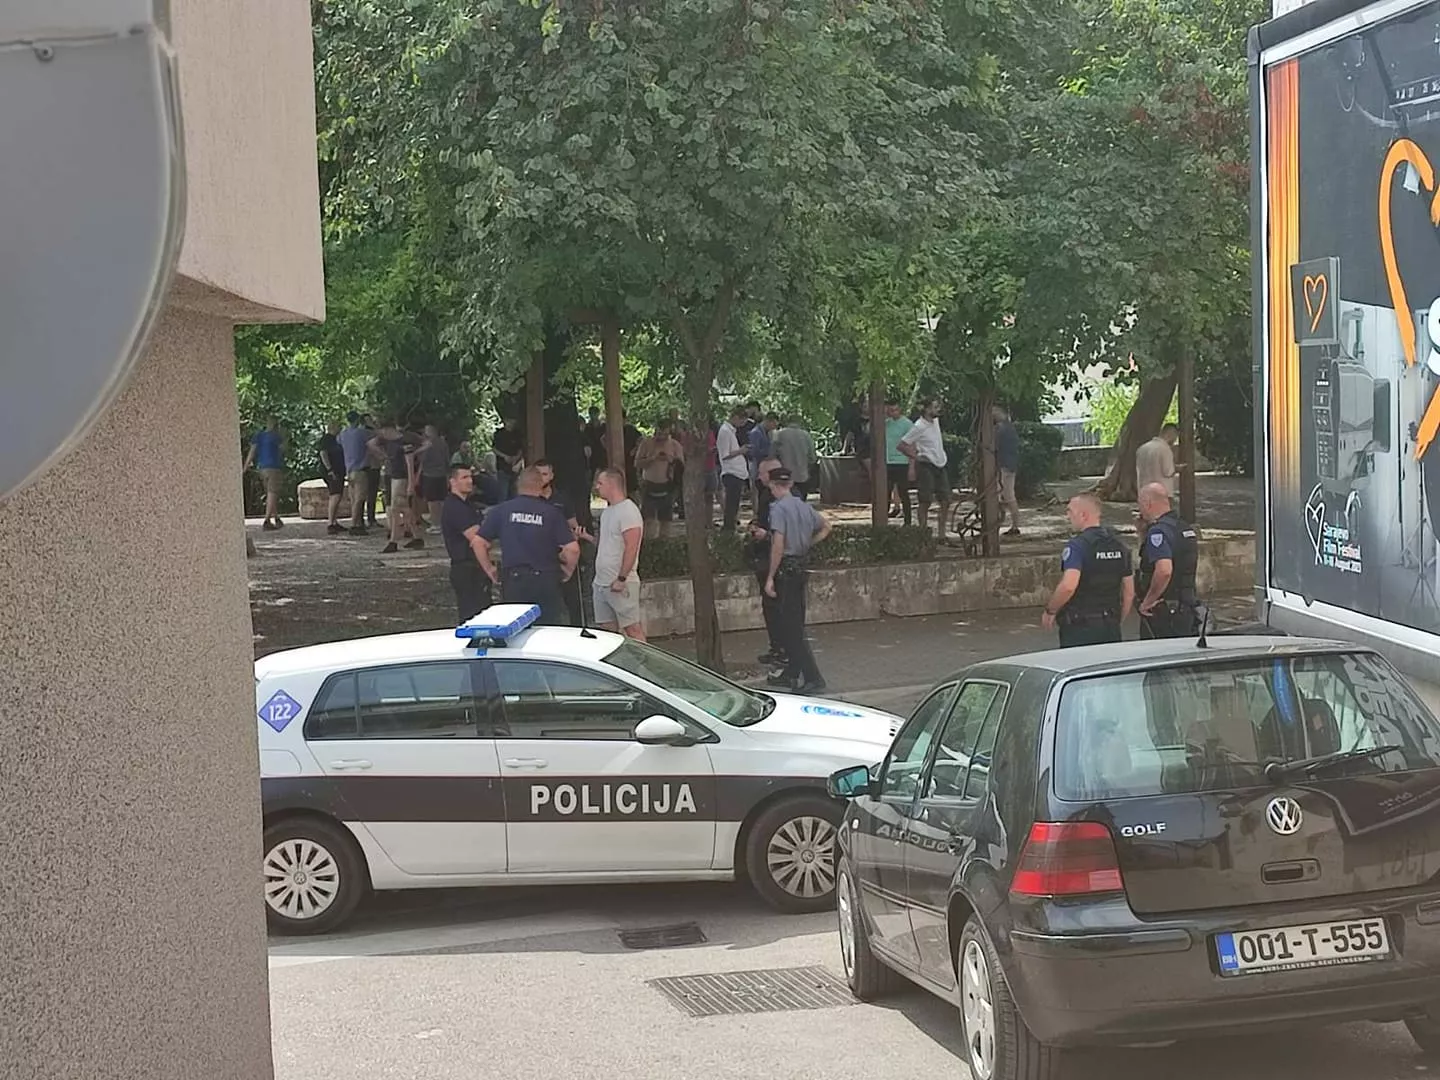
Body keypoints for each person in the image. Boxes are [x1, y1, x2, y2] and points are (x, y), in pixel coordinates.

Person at [475, 466, 580, 625]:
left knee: (517, 627)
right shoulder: (551, 512)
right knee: (546, 628)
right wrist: (567, 571)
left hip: (514, 580)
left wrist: (489, 569)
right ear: (540, 485)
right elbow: (573, 549)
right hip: (545, 578)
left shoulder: (502, 510)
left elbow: (478, 542)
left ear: (518, 485)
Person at [763, 467, 832, 693]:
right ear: (790, 484)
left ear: (772, 485)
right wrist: (808, 543)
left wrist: (770, 577)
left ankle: (813, 677)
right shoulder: (803, 506)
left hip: (787, 567)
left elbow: (778, 544)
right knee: (793, 621)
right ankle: (792, 672)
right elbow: (826, 526)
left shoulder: (778, 509)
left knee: (791, 628)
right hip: (801, 565)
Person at [1041, 492, 1134, 647]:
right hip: (1110, 625)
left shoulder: (1078, 546)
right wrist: (1117, 620)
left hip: (1080, 627)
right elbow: (1129, 592)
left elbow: (1068, 585)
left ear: (1083, 515)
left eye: (1070, 511)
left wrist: (1051, 610)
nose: (1067, 516)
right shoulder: (1119, 545)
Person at [1135, 482, 1201, 638]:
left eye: (1140, 505)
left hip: (1164, 611)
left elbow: (1164, 571)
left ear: (1148, 503)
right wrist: (1142, 533)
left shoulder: (1158, 531)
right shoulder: (1184, 527)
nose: (1140, 510)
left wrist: (1148, 601)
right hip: (1187, 607)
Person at [592, 468, 646, 640]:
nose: (597, 487)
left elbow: (632, 546)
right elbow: (607, 543)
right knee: (607, 630)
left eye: (600, 483)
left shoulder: (628, 511)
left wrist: (622, 578)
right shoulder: (607, 512)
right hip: (601, 581)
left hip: (619, 581)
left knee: (632, 628)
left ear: (611, 484)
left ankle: (643, 658)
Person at [536, 458, 588, 624]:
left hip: (563, 553)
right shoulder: (530, 500)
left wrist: (574, 538)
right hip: (540, 557)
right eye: (538, 474)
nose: (541, 478)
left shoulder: (562, 498)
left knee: (573, 601)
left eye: (545, 474)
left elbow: (573, 524)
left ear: (551, 475)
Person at [439, 463, 492, 621]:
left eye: (470, 477)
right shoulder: (455, 507)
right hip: (466, 569)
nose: (470, 481)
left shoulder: (468, 504)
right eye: (464, 477)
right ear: (452, 482)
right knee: (472, 617)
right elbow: (478, 539)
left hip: (474, 567)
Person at [749, 457, 787, 670]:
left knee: (779, 608)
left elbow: (787, 534)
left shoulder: (787, 500)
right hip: (764, 554)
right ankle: (776, 648)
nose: (759, 477)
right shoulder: (765, 495)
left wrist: (767, 535)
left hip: (778, 558)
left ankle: (784, 651)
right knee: (770, 608)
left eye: (762, 473)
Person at [370, 420, 423, 554]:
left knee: (395, 508)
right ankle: (416, 536)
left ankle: (394, 540)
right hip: (394, 476)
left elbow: (410, 463)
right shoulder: (389, 442)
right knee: (403, 508)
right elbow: (371, 444)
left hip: (402, 477)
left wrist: (411, 483)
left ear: (388, 429)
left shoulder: (404, 442)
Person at [899, 398, 949, 538]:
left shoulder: (935, 422)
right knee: (925, 500)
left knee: (945, 500)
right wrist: (916, 457)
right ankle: (923, 533)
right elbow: (902, 445)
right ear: (927, 409)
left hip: (940, 463)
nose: (938, 409)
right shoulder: (919, 426)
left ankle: (942, 534)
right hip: (926, 465)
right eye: (935, 407)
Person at [634, 419, 683, 535]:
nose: (661, 437)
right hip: (649, 484)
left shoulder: (675, 445)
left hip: (668, 486)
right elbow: (637, 463)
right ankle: (650, 543)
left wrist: (671, 459)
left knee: (666, 521)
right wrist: (651, 458)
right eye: (659, 434)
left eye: (664, 435)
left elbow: (681, 466)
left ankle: (664, 543)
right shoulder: (646, 443)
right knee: (649, 521)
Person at [243, 418, 286, 530]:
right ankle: (267, 520)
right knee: (273, 493)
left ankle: (276, 517)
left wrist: (245, 467)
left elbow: (252, 451)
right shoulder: (276, 437)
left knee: (269, 493)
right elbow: (283, 450)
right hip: (274, 467)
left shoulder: (259, 436)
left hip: (262, 468)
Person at [338, 411, 371, 536]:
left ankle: (357, 523)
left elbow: (338, 441)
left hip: (349, 470)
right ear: (357, 420)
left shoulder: (343, 434)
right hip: (360, 469)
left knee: (353, 499)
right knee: (359, 498)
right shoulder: (362, 433)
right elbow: (375, 436)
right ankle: (354, 524)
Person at [717, 406, 750, 530]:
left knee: (734, 504)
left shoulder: (731, 431)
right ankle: (728, 529)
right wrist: (740, 451)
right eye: (741, 421)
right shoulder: (725, 431)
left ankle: (731, 527)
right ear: (735, 417)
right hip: (731, 472)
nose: (742, 424)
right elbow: (725, 454)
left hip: (738, 473)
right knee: (731, 505)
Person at [772, 415, 816, 502]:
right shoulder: (806, 435)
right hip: (802, 475)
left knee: (784, 502)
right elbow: (812, 457)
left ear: (788, 422)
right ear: (800, 422)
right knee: (801, 502)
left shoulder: (779, 434)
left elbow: (773, 454)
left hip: (784, 475)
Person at [993, 404, 1022, 536]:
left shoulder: (1001, 428)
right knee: (1004, 495)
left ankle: (1014, 526)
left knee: (1007, 495)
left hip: (1004, 466)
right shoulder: (1009, 427)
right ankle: (1004, 524)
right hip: (1009, 465)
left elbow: (994, 446)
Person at [883, 400, 913, 524]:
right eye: (890, 410)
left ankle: (908, 521)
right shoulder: (886, 423)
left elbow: (912, 445)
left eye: (895, 410)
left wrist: (912, 465)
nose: (893, 412)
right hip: (888, 462)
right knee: (886, 492)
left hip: (902, 462)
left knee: (903, 492)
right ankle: (883, 521)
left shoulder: (907, 424)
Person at [417, 423, 450, 534]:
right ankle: (444, 523)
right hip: (442, 474)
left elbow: (422, 460)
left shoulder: (426, 444)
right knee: (442, 500)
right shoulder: (443, 443)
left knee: (432, 501)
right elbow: (447, 460)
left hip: (429, 475)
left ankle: (436, 524)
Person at [317, 421, 347, 535]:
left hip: (339, 471)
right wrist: (330, 469)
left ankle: (334, 521)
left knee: (338, 495)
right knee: (335, 495)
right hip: (332, 471)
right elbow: (323, 453)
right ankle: (330, 523)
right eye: (338, 426)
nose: (340, 428)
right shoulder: (327, 439)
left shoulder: (337, 439)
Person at [1137, 423, 1180, 499]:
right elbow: (1168, 471)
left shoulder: (1142, 448)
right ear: (1172, 434)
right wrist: (1177, 468)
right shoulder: (1165, 449)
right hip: (1161, 494)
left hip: (1144, 492)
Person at [748, 413, 778, 502]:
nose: (774, 427)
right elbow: (754, 451)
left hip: (765, 466)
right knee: (757, 490)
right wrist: (767, 454)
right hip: (757, 466)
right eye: (774, 424)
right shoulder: (756, 432)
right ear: (768, 421)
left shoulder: (767, 433)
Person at [492, 417, 524, 501]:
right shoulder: (499, 434)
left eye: (513, 420)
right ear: (505, 421)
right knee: (503, 494)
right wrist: (505, 457)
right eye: (509, 420)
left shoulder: (517, 434)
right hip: (502, 467)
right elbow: (494, 449)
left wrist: (516, 458)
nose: (511, 423)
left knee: (514, 493)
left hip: (515, 467)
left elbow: (521, 449)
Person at [360, 413, 383, 527]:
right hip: (368, 466)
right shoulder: (365, 433)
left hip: (375, 465)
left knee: (372, 493)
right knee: (364, 494)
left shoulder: (373, 431)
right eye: (368, 420)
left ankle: (371, 518)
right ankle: (362, 519)